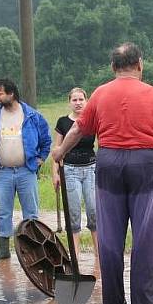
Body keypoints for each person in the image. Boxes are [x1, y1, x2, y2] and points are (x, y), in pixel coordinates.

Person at [52, 42, 153, 304]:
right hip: (144, 166)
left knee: (109, 237)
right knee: (144, 237)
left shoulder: (99, 94)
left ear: (113, 67)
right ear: (140, 65)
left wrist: (59, 152)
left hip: (108, 164)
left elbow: (77, 129)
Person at [0, 78, 51, 262]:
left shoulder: (32, 116)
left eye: (0, 93)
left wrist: (40, 159)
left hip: (27, 171)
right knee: (3, 212)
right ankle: (3, 251)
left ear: (11, 94)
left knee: (31, 212)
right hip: (3, 172)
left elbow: (46, 140)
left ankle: (34, 249)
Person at [52, 87, 99, 260]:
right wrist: (55, 174)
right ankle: (75, 255)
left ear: (86, 101)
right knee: (73, 213)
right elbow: (56, 151)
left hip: (91, 169)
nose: (78, 103)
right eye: (75, 100)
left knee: (94, 210)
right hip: (70, 170)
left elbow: (101, 144)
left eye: (81, 99)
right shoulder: (63, 122)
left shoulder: (92, 120)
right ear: (69, 102)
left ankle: (98, 254)